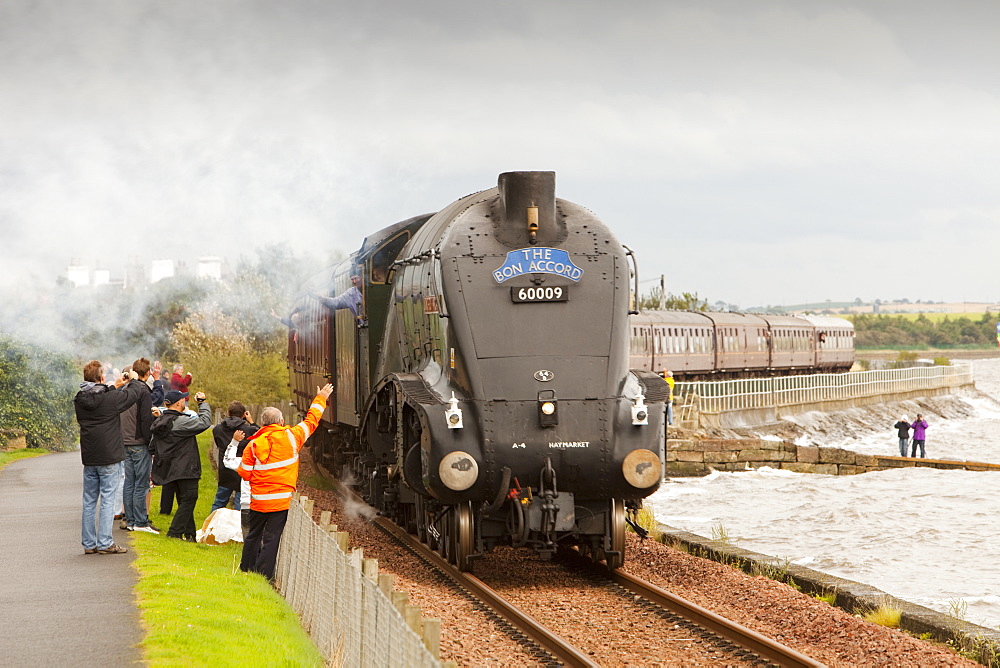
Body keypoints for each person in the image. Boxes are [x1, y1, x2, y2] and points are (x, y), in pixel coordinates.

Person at [237, 383, 334, 580]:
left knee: (254, 534)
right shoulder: (292, 437)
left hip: (258, 500)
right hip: (281, 501)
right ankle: (263, 575)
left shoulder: (254, 444)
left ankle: (246, 568)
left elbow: (245, 473)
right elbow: (312, 420)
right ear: (281, 421)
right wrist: (321, 398)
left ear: (263, 423)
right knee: (272, 538)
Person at [74, 360, 144, 555]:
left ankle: (89, 543)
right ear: (102, 378)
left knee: (89, 500)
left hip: (90, 455)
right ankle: (105, 542)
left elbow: (100, 394)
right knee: (107, 499)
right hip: (110, 454)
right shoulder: (110, 398)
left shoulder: (80, 398)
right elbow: (131, 396)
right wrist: (134, 380)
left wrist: (117, 384)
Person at [150, 389, 212, 541]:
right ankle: (175, 532)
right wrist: (202, 404)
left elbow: (152, 446)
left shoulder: (160, 421)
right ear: (178, 403)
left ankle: (189, 535)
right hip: (185, 467)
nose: (185, 402)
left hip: (170, 468)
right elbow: (204, 422)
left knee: (184, 500)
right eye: (183, 400)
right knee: (189, 498)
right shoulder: (180, 422)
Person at [119, 358, 160, 533]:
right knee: (141, 483)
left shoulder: (125, 389)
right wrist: (149, 439)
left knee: (129, 482)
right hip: (138, 441)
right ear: (148, 373)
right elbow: (144, 419)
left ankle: (129, 519)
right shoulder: (143, 391)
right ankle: (141, 522)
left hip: (124, 440)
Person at [210, 402, 258, 514]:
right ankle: (237, 526)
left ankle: (212, 523)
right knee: (240, 503)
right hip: (242, 470)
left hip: (225, 470)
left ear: (228, 413)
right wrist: (252, 422)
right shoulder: (249, 430)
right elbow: (260, 434)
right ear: (243, 415)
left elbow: (219, 444)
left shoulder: (217, 429)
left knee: (220, 501)